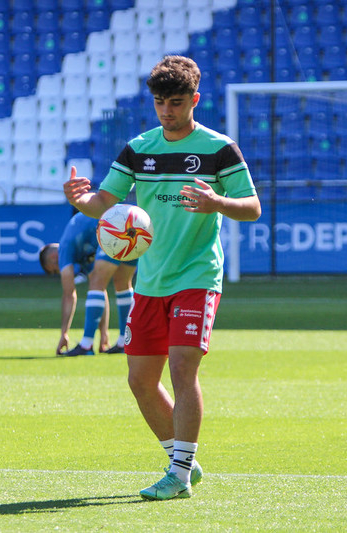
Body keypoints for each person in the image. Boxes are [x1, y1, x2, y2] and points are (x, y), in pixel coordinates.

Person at [62, 55, 261, 500]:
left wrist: (218, 203)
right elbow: (105, 204)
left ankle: (179, 475)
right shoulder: (139, 148)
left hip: (197, 275)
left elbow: (251, 206)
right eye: (159, 102)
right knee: (139, 380)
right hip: (150, 280)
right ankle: (182, 458)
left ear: (194, 99)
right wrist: (81, 200)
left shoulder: (219, 148)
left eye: (175, 102)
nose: (166, 111)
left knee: (182, 368)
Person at [39, 212, 137, 356]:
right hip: (133, 225)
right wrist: (104, 333)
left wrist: (64, 333)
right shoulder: (83, 250)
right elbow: (100, 292)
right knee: (122, 283)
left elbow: (69, 294)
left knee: (97, 282)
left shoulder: (64, 249)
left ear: (54, 258)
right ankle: (124, 342)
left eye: (55, 270)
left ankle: (86, 345)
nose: (59, 272)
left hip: (114, 227)